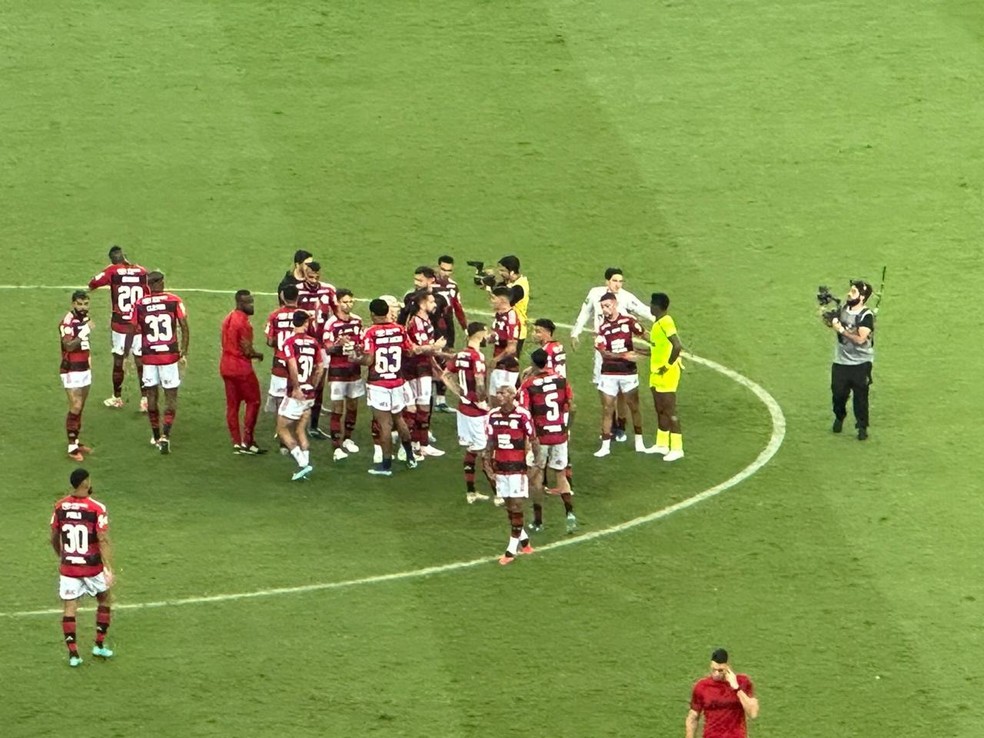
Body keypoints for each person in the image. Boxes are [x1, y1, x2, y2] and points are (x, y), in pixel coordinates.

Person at [570, 267, 652, 442]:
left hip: (621, 349)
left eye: (620, 281)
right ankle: (612, 424)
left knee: (622, 391)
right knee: (605, 390)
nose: (618, 284)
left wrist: (660, 318)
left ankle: (621, 426)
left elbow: (644, 310)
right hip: (602, 350)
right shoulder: (595, 294)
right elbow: (585, 312)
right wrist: (575, 333)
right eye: (615, 280)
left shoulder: (626, 297)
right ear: (606, 281)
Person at [361, 298, 438, 476]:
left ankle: (386, 465)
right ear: (387, 311)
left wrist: (355, 357)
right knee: (399, 419)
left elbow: (369, 360)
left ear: (372, 314)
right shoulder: (399, 329)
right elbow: (410, 350)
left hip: (379, 383)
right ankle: (410, 457)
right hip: (397, 382)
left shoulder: (371, 332)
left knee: (384, 425)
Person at [50, 468, 115, 667]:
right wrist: (108, 568)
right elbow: (102, 539)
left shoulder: (60, 506)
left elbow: (53, 536)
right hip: (92, 566)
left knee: (70, 608)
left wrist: (62, 556)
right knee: (105, 598)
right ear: (85, 483)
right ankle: (99, 644)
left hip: (69, 567)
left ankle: (73, 655)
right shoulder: (96, 508)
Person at [518, 349, 576, 533]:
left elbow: (524, 412)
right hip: (559, 434)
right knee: (561, 474)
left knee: (536, 477)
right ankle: (570, 514)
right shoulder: (561, 379)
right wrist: (566, 428)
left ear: (533, 363)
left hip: (540, 437)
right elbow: (572, 407)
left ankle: (538, 521)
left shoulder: (529, 385)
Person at [132, 271, 189, 455]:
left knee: (152, 397)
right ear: (162, 282)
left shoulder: (139, 304)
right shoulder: (174, 300)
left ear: (148, 285)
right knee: (171, 397)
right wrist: (183, 352)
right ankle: (165, 435)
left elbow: (136, 329)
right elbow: (184, 327)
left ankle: (155, 436)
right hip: (169, 357)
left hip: (149, 357)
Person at [88, 245, 148, 410]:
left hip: (121, 324)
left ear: (112, 259)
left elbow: (93, 283)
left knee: (119, 361)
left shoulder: (112, 271)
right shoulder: (142, 271)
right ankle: (145, 400)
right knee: (140, 360)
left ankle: (117, 397)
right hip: (138, 324)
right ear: (124, 256)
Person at [483, 385, 539, 564]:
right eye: (498, 393)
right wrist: (487, 464)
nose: (499, 396)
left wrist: (536, 463)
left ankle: (510, 550)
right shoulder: (492, 416)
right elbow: (490, 443)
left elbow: (533, 440)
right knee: (509, 507)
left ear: (513, 395)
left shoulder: (522, 415)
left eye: (504, 393)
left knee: (516, 506)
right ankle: (525, 542)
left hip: (518, 468)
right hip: (500, 468)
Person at [593, 292, 650, 457]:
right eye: (602, 306)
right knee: (607, 408)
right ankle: (605, 446)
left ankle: (640, 443)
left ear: (615, 304)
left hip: (628, 373)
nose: (604, 309)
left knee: (634, 407)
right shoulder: (602, 329)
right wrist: (624, 355)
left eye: (607, 305)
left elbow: (644, 334)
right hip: (609, 373)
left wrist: (658, 344)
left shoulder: (629, 321)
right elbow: (604, 353)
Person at [443, 322, 494, 504]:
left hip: (463, 409)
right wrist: (481, 402)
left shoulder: (460, 354)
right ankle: (498, 494)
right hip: (476, 413)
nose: (488, 335)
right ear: (479, 334)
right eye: (486, 331)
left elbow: (445, 375)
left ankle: (471, 492)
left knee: (471, 449)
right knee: (485, 451)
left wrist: (460, 394)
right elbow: (480, 384)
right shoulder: (476, 357)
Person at [277, 311, 325, 481]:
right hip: (310, 392)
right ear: (305, 323)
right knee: (300, 429)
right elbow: (320, 367)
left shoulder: (289, 342)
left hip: (296, 394)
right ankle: (306, 465)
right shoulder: (314, 343)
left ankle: (303, 464)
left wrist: (297, 387)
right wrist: (314, 385)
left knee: (282, 428)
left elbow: (292, 365)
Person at [220, 290, 266, 454]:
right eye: (249, 302)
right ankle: (248, 441)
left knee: (232, 405)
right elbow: (246, 350)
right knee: (253, 402)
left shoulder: (228, 318)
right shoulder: (244, 322)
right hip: (241, 368)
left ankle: (236, 443)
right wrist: (258, 354)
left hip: (226, 365)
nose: (252, 305)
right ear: (240, 303)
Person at [321, 288, 365, 461]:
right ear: (338, 302)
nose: (348, 305)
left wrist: (358, 347)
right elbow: (328, 349)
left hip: (354, 370)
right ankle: (336, 446)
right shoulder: (331, 324)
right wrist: (339, 345)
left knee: (353, 406)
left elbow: (362, 343)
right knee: (337, 408)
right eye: (345, 301)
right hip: (337, 372)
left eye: (351, 301)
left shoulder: (357, 321)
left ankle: (347, 439)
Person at [829, 280, 875, 441]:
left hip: (861, 363)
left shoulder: (866, 316)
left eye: (854, 292)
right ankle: (839, 415)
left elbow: (861, 339)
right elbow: (830, 322)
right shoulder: (843, 309)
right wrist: (827, 314)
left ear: (862, 297)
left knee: (861, 398)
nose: (849, 293)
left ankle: (862, 427)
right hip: (841, 361)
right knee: (838, 394)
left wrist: (841, 329)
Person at [296, 261, 337, 439]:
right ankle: (294, 421)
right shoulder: (297, 290)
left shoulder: (328, 290)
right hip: (302, 345)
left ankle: (313, 425)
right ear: (304, 273)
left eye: (316, 276)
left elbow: (336, 315)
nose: (313, 280)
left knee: (318, 385)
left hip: (321, 345)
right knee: (298, 382)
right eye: (310, 276)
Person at [686, 648, 759, 738]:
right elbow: (693, 717)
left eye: (720, 670)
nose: (716, 674)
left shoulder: (742, 682)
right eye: (714, 669)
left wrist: (736, 688)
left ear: (728, 666)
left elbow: (753, 713)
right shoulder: (702, 686)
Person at [647, 292, 685, 461]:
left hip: (666, 373)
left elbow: (677, 346)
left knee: (670, 410)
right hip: (656, 372)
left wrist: (667, 366)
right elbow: (658, 349)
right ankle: (662, 444)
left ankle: (677, 448)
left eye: (651, 304)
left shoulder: (666, 322)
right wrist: (638, 351)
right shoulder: (658, 324)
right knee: (660, 408)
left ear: (657, 306)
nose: (649, 306)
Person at [59, 291, 94, 462]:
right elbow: (68, 346)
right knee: (76, 406)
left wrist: (89, 359)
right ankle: (71, 447)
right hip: (71, 368)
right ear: (73, 304)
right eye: (79, 304)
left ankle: (76, 441)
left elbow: (85, 344)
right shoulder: (68, 321)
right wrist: (83, 332)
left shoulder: (85, 320)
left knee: (81, 407)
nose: (83, 307)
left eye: (85, 304)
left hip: (84, 368)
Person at [432, 255, 468, 412]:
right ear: (437, 267)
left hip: (448, 327)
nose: (446, 273)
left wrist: (465, 327)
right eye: (443, 269)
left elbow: (458, 308)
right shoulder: (429, 284)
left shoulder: (453, 286)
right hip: (431, 327)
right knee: (430, 359)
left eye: (449, 270)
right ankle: (427, 396)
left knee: (446, 360)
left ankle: (440, 400)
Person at [264, 284, 301, 418]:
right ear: (298, 296)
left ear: (282, 297)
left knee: (279, 396)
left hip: (280, 361)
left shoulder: (275, 316)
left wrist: (279, 340)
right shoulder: (303, 316)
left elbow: (269, 341)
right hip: (299, 362)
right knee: (296, 394)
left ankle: (280, 429)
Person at [494, 255, 530, 354]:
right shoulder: (510, 282)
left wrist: (492, 287)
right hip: (505, 327)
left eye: (502, 271)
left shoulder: (520, 287)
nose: (500, 273)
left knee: (510, 363)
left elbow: (506, 300)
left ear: (512, 272)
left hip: (516, 331)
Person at [489, 286, 520, 393]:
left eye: (493, 298)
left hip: (506, 366)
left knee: (503, 399)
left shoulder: (511, 317)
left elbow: (512, 348)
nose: (491, 301)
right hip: (499, 364)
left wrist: (496, 360)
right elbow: (496, 337)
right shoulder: (499, 314)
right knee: (493, 397)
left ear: (502, 300)